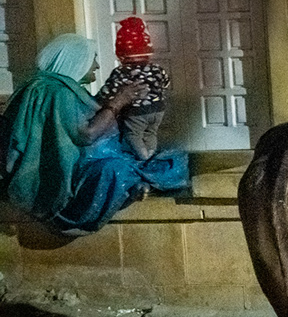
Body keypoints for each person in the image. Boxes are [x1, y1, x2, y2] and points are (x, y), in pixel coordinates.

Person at [0, 33, 189, 235]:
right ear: (77, 60)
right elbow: (87, 135)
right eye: (93, 59)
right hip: (67, 176)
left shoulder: (41, 86)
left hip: (75, 165)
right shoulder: (58, 92)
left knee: (161, 157)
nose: (97, 66)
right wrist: (119, 101)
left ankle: (134, 184)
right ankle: (129, 188)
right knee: (117, 169)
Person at [99, 16, 171, 161]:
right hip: (158, 109)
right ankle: (150, 154)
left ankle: (143, 156)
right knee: (151, 133)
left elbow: (108, 92)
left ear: (121, 54)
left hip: (136, 111)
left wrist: (101, 99)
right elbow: (166, 83)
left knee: (132, 134)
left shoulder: (121, 72)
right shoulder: (157, 68)